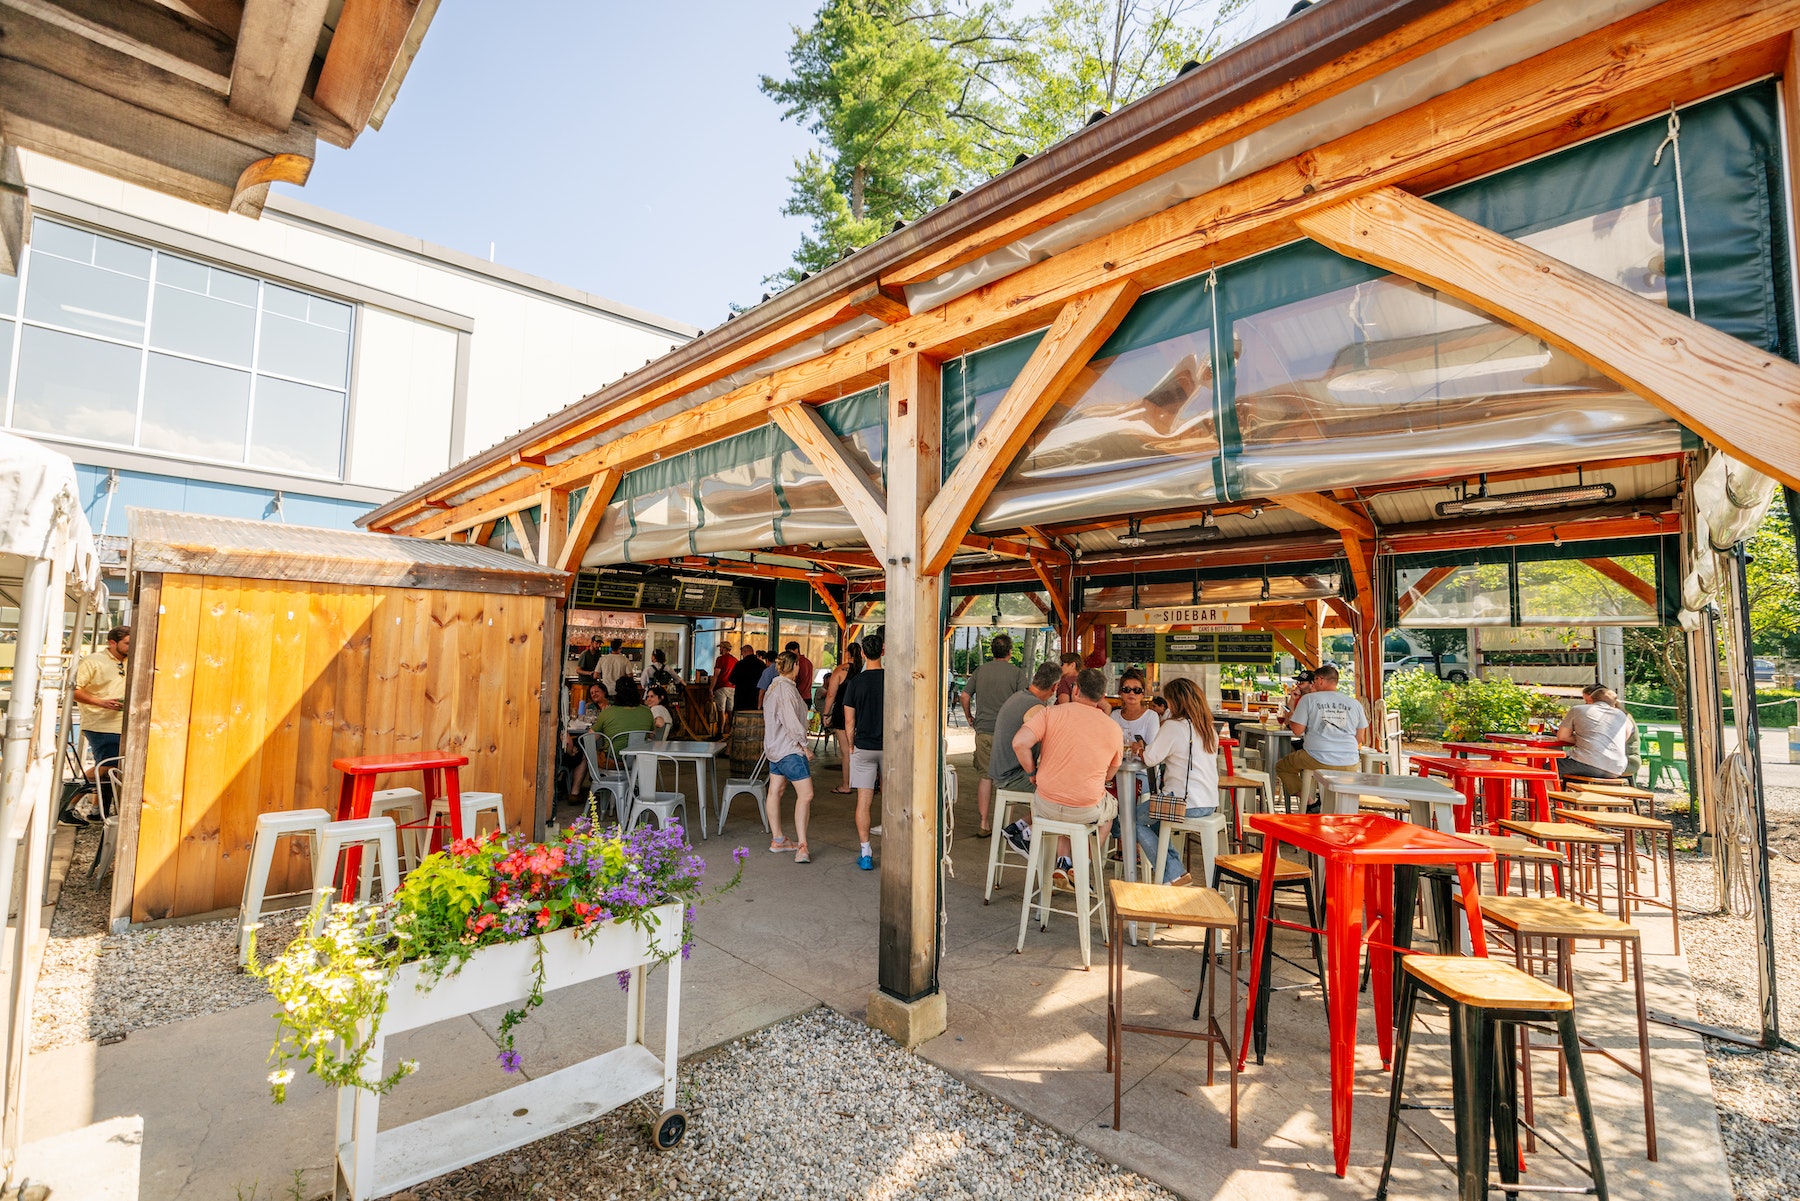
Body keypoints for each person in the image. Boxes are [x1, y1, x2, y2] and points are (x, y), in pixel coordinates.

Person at [1008, 668, 1123, 881]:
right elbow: (1110, 774)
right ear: (1103, 696)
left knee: (1063, 803)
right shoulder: (1114, 728)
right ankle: (1081, 867)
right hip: (1085, 809)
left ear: (1076, 690)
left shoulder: (1051, 713)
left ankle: (1062, 860)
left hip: (1045, 806)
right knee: (1109, 812)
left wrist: (1032, 771)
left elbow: (1019, 743)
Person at [1138, 678, 1220, 885]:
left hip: (1183, 803)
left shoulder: (1174, 726)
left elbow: (1149, 758)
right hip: (1208, 802)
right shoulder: (1208, 727)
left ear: (1175, 701)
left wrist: (1139, 748)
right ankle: (1175, 872)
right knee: (1153, 818)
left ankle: (1173, 873)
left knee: (1129, 819)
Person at [1275, 664, 1367, 805]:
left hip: (1317, 757)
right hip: (1350, 761)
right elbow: (1359, 737)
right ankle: (1336, 806)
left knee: (1282, 766)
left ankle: (1310, 803)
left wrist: (1291, 718)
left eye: (1315, 680)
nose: (1313, 683)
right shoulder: (1354, 703)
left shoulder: (1309, 700)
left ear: (1320, 680)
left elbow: (1297, 730)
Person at [963, 633, 1026, 838]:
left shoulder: (980, 671)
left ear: (992, 651)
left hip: (983, 731)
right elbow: (1024, 701)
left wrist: (969, 716)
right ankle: (1005, 824)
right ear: (1010, 652)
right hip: (1008, 734)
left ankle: (984, 823)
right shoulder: (1017, 673)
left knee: (985, 777)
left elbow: (964, 696)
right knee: (1008, 779)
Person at [71, 625, 130, 823]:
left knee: (107, 767)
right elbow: (73, 690)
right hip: (99, 723)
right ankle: (68, 805)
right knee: (106, 767)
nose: (132, 646)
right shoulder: (92, 661)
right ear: (112, 643)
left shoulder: (133, 661)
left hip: (122, 723)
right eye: (128, 643)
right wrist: (102, 703)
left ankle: (97, 811)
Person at [761, 652, 816, 863]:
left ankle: (778, 839)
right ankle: (802, 846)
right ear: (794, 666)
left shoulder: (775, 686)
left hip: (774, 749)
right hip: (789, 749)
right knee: (806, 795)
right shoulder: (785, 690)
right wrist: (805, 745)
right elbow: (791, 721)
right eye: (798, 666)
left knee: (776, 790)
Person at [841, 633, 885, 870]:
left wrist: (850, 746)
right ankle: (897, 846)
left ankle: (866, 852)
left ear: (864, 654)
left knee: (863, 802)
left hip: (864, 747)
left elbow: (849, 722)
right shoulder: (892, 680)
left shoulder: (855, 683)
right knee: (895, 800)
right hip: (891, 748)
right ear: (884, 650)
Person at [990, 663, 1058, 795]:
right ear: (1055, 687)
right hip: (1011, 777)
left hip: (1001, 772)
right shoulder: (1036, 708)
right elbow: (1046, 741)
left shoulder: (1019, 696)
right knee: (1062, 790)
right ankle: (1030, 817)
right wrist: (1032, 772)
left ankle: (1024, 817)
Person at [1556, 685, 1636, 780]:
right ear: (1613, 703)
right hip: (1616, 768)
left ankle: (1552, 795)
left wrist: (1584, 739)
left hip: (1587, 762)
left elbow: (1562, 736)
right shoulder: (1622, 715)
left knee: (1545, 769)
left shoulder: (1578, 709)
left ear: (1590, 698)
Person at [823, 640, 863, 793]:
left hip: (842, 712)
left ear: (847, 654)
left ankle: (846, 785)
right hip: (861, 712)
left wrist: (826, 714)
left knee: (846, 751)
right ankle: (863, 783)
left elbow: (831, 695)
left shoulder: (840, 670)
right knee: (861, 750)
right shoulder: (863, 670)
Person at [1112, 667, 1161, 758]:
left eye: (1136, 690)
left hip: (1142, 770)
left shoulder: (1151, 716)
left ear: (1142, 694)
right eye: (1126, 689)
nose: (1131, 693)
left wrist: (1140, 749)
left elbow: (1153, 751)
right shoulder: (1114, 715)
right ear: (1120, 692)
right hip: (1118, 768)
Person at [728, 644, 766, 711]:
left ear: (744, 652)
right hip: (756, 699)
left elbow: (731, 681)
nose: (742, 655)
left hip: (741, 700)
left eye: (742, 654)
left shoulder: (740, 664)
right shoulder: (762, 664)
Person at [786, 641, 815, 706]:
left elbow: (795, 678)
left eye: (789, 652)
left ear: (796, 650)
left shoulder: (797, 663)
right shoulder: (808, 662)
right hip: (807, 697)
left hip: (799, 696)